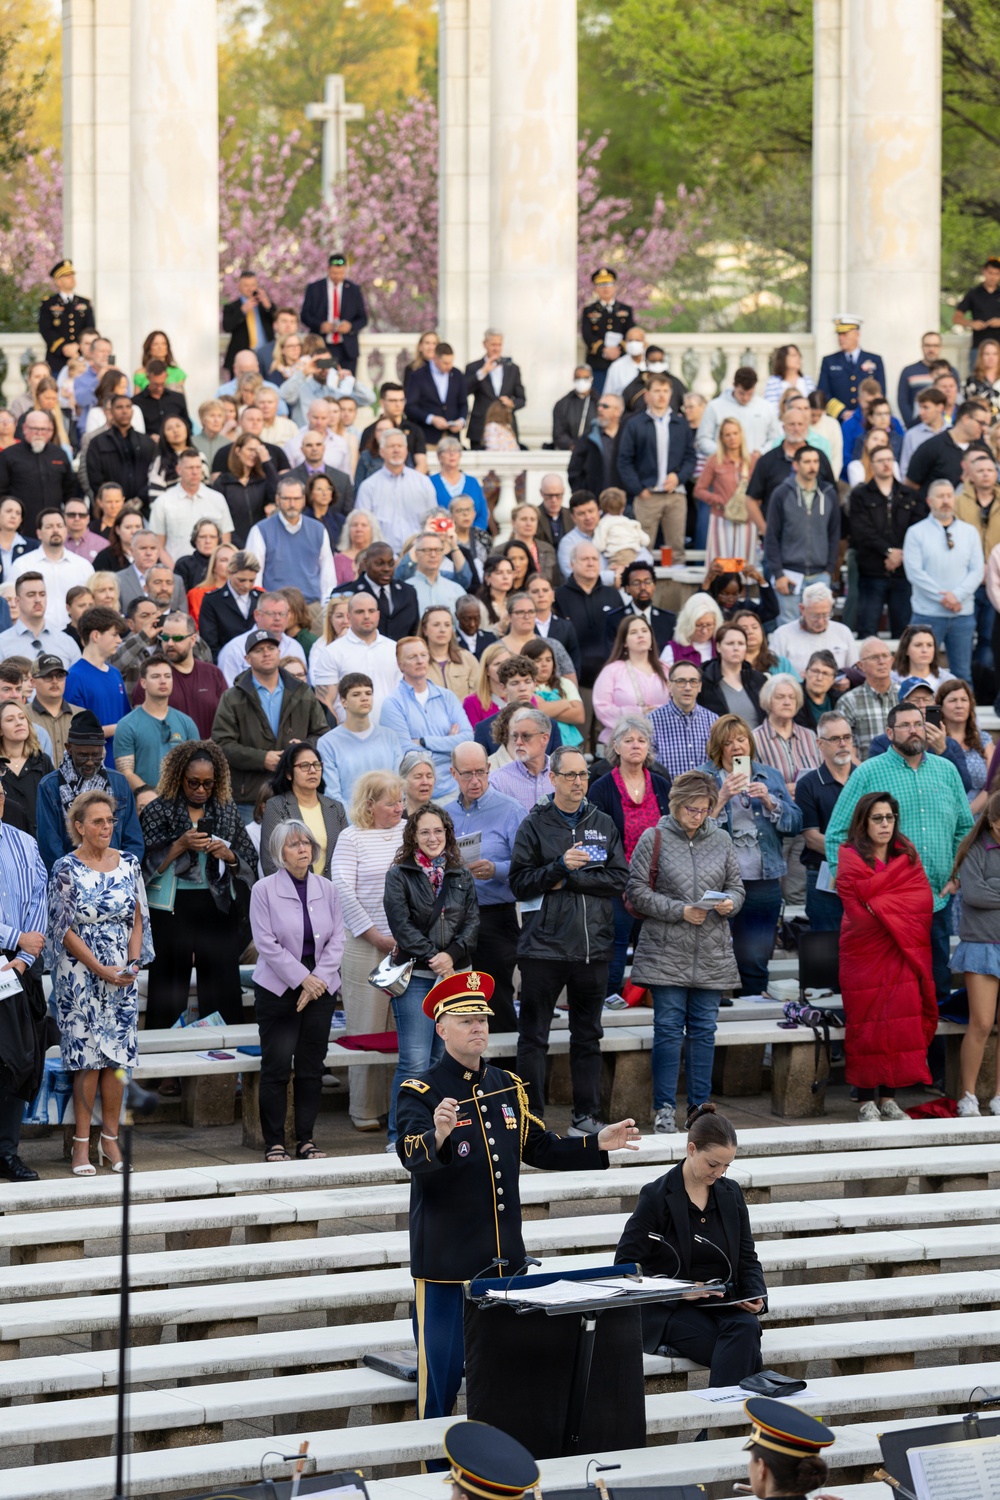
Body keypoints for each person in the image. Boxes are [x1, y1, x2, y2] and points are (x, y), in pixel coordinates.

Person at [396, 968, 639, 1419]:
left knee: (505, 1376)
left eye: (483, 1019)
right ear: (441, 1027)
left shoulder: (507, 1086)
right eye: (466, 1019)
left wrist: (596, 1143)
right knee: (441, 1383)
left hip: (505, 1260)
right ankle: (433, 1474)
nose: (477, 1027)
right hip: (447, 1266)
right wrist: (439, 1135)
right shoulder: (423, 1091)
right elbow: (410, 1154)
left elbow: (539, 1146)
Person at [509, 744, 629, 1133]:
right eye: (571, 775)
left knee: (588, 1036)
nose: (579, 782)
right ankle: (532, 1118)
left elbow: (617, 879)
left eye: (584, 775)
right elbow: (519, 883)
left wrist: (570, 877)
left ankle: (586, 1115)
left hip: (593, 946)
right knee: (534, 1037)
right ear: (553, 778)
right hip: (543, 947)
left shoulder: (603, 821)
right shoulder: (535, 823)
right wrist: (558, 866)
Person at [825, 701, 974, 1005]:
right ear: (889, 732)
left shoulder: (947, 770)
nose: (913, 731)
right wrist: (857, 889)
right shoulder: (868, 773)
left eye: (917, 723)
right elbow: (838, 835)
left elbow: (965, 830)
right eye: (904, 726)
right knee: (894, 993)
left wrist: (957, 876)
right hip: (886, 905)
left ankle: (934, 1054)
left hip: (937, 899)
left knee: (938, 989)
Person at [614, 1105, 765, 1379]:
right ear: (692, 1149)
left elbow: (747, 1256)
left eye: (727, 1165)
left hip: (721, 1302)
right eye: (713, 1164)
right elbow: (624, 1267)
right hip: (670, 1307)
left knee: (747, 1327)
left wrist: (756, 1294)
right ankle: (728, 1420)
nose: (719, 1173)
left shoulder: (731, 1193)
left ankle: (721, 1421)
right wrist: (679, 1290)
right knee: (743, 1349)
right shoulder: (656, 1197)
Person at [47, 787, 152, 1174]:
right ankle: (80, 1145)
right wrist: (100, 969)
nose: (106, 826)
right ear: (80, 826)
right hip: (79, 974)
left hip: (122, 975)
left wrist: (134, 962)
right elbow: (64, 929)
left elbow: (137, 918)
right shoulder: (65, 868)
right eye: (98, 821)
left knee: (117, 1060)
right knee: (86, 1062)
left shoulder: (128, 863)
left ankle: (110, 1139)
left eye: (110, 820)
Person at [139, 740, 256, 1032]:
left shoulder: (226, 810)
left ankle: (227, 1065)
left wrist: (228, 855)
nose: (201, 790)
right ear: (179, 777)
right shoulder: (157, 810)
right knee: (168, 985)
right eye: (193, 783)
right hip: (171, 907)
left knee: (222, 986)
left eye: (208, 784)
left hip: (217, 904)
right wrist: (179, 845)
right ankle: (167, 1071)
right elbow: (141, 865)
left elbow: (249, 861)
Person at [836, 792, 938, 1122]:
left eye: (889, 818)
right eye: (877, 818)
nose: (884, 824)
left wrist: (880, 903)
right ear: (864, 822)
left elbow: (921, 901)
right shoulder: (851, 857)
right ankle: (866, 1100)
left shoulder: (906, 855)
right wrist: (893, 908)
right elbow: (858, 912)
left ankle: (890, 1099)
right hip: (864, 953)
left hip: (902, 951)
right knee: (866, 1026)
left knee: (899, 1024)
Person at [249, 817, 345, 1161]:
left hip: (320, 987)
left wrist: (316, 980)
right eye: (294, 844)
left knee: (311, 1067)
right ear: (280, 853)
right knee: (276, 1066)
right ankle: (274, 1141)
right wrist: (302, 980)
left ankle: (306, 1139)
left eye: (306, 843)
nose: (303, 848)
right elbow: (266, 943)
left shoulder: (328, 888)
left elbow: (337, 938)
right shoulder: (263, 890)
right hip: (278, 989)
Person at [383, 803, 479, 1144]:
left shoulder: (460, 872)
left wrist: (451, 957)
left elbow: (472, 923)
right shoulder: (399, 874)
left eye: (438, 831)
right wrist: (435, 958)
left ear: (448, 833)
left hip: (453, 976)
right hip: (417, 978)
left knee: (442, 1059)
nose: (433, 837)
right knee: (413, 1061)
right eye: (425, 831)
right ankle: (400, 1136)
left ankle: (437, 1131)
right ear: (413, 836)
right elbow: (401, 926)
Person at [701, 714, 801, 996]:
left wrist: (770, 801)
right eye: (728, 742)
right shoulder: (703, 777)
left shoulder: (770, 775)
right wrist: (720, 798)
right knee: (713, 959)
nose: (736, 747)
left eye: (741, 740)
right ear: (718, 747)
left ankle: (752, 1033)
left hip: (763, 881)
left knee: (756, 960)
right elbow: (686, 831)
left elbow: (795, 824)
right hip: (718, 883)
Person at [328, 771, 405, 1131]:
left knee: (401, 1028)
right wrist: (376, 936)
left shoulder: (409, 832)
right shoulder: (351, 837)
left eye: (401, 802)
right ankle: (364, 1109)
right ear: (370, 804)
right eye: (391, 803)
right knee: (368, 1025)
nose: (399, 808)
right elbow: (342, 888)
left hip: (407, 946)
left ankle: (399, 1107)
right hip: (364, 944)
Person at [588, 716, 673, 999]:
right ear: (615, 746)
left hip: (657, 881)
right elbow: (596, 838)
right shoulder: (601, 787)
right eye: (629, 740)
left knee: (652, 944)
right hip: (617, 880)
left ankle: (647, 997)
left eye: (642, 740)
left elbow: (671, 831)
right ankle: (610, 1000)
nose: (636, 745)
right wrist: (620, 876)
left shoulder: (661, 785)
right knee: (616, 943)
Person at [445, 741, 526, 1035]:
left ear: (490, 769)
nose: (475, 780)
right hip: (452, 918)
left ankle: (504, 1077)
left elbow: (527, 869)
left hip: (495, 916)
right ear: (453, 773)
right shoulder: (444, 815)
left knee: (497, 1001)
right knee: (457, 1004)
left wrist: (496, 869)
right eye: (467, 774)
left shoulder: (511, 810)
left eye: (481, 771)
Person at [212, 629, 328, 811]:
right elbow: (222, 743)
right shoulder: (232, 697)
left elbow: (322, 734)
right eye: (258, 650)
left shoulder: (303, 692)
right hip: (250, 796)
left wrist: (304, 747)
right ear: (247, 659)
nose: (266, 653)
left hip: (297, 792)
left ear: (279, 653)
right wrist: (262, 759)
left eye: (271, 648)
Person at [0, 779, 48, 1182]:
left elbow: (38, 899)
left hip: (16, 971)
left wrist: (24, 956)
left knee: (20, 1063)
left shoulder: (23, 842)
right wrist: (12, 937)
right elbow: (20, 929)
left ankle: (7, 1151)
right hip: (8, 950)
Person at [946, 791, 1000, 1116]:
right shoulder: (974, 851)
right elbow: (976, 894)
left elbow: (986, 891)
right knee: (980, 1023)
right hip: (981, 946)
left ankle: (998, 1096)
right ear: (993, 822)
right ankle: (967, 1096)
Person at [902, 478, 984, 685]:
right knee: (920, 672)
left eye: (949, 496)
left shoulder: (969, 532)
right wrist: (944, 597)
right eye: (940, 496)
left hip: (961, 614)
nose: (945, 501)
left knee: (962, 674)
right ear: (930, 501)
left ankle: (965, 716)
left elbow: (976, 570)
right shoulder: (916, 532)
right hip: (927, 614)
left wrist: (957, 596)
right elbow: (914, 572)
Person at [380, 637, 474, 799]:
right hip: (417, 796)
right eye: (412, 657)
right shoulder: (392, 704)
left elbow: (467, 738)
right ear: (400, 664)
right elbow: (406, 753)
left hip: (454, 789)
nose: (419, 661)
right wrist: (450, 749)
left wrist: (424, 742)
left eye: (423, 655)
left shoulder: (447, 696)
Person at [617, 374, 697, 557]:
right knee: (644, 546)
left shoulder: (680, 424)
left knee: (675, 547)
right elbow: (624, 460)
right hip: (647, 495)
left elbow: (690, 457)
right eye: (657, 391)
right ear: (647, 395)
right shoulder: (635, 424)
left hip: (675, 495)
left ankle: (674, 585)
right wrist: (638, 488)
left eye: (665, 391)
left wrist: (678, 477)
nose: (662, 395)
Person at [849, 442, 924, 637]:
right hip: (871, 571)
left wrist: (900, 554)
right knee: (867, 630)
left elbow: (917, 529)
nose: (886, 464)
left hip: (903, 572)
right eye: (880, 460)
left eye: (889, 460)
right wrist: (889, 552)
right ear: (871, 464)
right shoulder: (860, 495)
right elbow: (861, 530)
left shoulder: (909, 495)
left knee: (904, 632)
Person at [763, 447, 840, 626]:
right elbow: (771, 536)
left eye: (815, 461)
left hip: (820, 573)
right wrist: (778, 573)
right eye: (807, 462)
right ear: (796, 465)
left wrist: (829, 569)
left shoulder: (828, 493)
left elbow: (834, 534)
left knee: (819, 625)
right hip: (789, 573)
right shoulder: (781, 493)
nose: (812, 466)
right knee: (788, 626)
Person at [794, 711, 854, 932]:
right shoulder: (808, 784)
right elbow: (812, 839)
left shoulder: (865, 777)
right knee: (827, 951)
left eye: (847, 737)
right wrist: (858, 853)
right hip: (823, 875)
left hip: (866, 876)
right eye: (835, 739)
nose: (843, 743)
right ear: (820, 744)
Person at [130, 611, 227, 739]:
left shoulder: (213, 674)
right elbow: (141, 727)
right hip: (167, 757)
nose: (169, 643)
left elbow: (227, 722)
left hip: (209, 755)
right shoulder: (151, 676)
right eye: (165, 638)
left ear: (193, 640)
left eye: (177, 638)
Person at [259, 741, 347, 880]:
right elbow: (271, 861)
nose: (312, 770)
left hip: (331, 891)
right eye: (305, 766)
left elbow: (345, 856)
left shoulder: (335, 808)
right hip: (292, 892)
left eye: (317, 765)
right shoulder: (277, 806)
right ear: (289, 774)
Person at [316, 673, 404, 808]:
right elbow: (332, 794)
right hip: (352, 824)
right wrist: (358, 821)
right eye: (356, 694)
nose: (364, 698)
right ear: (344, 701)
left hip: (389, 818)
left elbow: (398, 784)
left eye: (368, 693)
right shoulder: (327, 743)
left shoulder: (390, 737)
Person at [245, 474, 335, 605]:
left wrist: (325, 607)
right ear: (277, 499)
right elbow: (254, 576)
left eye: (296, 498)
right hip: (274, 606)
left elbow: (328, 575)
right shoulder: (260, 531)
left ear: (303, 500)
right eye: (286, 498)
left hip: (311, 606)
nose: (292, 504)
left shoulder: (318, 530)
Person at [308, 591, 401, 718]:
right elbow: (325, 702)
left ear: (378, 615)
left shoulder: (395, 648)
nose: (367, 616)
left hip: (391, 732)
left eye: (371, 611)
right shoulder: (331, 652)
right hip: (347, 734)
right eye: (360, 612)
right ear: (349, 616)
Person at [112, 657, 198, 791]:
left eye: (168, 676)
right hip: (143, 805)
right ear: (143, 683)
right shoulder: (127, 725)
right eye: (156, 676)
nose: (163, 681)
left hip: (181, 803)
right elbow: (126, 772)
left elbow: (196, 766)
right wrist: (150, 798)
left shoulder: (186, 722)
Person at [63, 606, 130, 769]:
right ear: (95, 635)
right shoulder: (74, 677)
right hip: (91, 769)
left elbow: (127, 718)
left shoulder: (115, 674)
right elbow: (73, 729)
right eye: (114, 634)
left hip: (121, 767)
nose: (119, 640)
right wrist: (119, 728)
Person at [355, 429, 438, 555]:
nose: (396, 450)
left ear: (406, 450)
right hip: (383, 557)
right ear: (381, 452)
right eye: (391, 446)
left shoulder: (423, 483)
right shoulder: (368, 486)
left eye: (400, 446)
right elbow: (363, 526)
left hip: (419, 555)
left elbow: (433, 520)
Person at [695, 417, 764, 566]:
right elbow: (699, 490)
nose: (732, 438)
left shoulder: (752, 461)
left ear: (741, 434)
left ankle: (743, 589)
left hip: (747, 518)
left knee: (744, 565)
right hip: (722, 517)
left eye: (735, 433)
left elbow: (761, 489)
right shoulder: (714, 461)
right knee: (723, 564)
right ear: (722, 438)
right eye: (728, 435)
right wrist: (719, 500)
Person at [592, 615, 671, 744]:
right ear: (624, 642)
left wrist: (657, 712)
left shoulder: (666, 669)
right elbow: (602, 707)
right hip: (621, 743)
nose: (641, 635)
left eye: (644, 631)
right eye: (634, 632)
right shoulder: (612, 671)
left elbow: (677, 704)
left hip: (662, 742)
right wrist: (637, 712)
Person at [217, 589, 306, 685]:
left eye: (281, 614)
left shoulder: (295, 647)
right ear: (257, 615)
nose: (277, 618)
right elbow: (228, 690)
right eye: (271, 613)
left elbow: (304, 687)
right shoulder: (235, 649)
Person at [769, 583, 859, 679]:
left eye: (825, 615)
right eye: (815, 616)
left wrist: (847, 681)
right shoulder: (782, 635)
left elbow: (855, 670)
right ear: (802, 609)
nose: (820, 621)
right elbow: (774, 674)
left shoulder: (843, 632)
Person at [905, 399, 992, 499]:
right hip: (934, 512)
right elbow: (911, 484)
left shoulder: (982, 449)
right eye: (981, 423)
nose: (984, 428)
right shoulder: (932, 446)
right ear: (965, 419)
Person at [300, 252, 368, 372]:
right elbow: (305, 315)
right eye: (334, 273)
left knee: (346, 383)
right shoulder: (315, 288)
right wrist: (320, 325)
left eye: (341, 273)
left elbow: (363, 318)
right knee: (325, 380)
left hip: (347, 348)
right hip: (324, 346)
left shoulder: (353, 289)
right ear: (328, 270)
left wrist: (350, 326)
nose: (337, 276)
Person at [650, 661, 718, 778]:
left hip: (707, 793)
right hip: (669, 793)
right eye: (681, 681)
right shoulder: (651, 722)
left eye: (693, 681)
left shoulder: (713, 720)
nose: (688, 688)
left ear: (700, 686)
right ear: (669, 685)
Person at [0, 572, 80, 670]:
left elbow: (77, 683)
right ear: (17, 601)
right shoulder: (3, 643)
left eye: (42, 594)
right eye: (31, 595)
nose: (38, 600)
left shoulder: (66, 642)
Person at [816, 314, 886, 421]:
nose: (840, 338)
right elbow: (823, 392)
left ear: (857, 334)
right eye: (839, 334)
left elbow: (880, 392)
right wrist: (843, 413)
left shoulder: (875, 360)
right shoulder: (829, 361)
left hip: (868, 420)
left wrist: (865, 411)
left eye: (845, 334)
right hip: (839, 420)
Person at [697, 622, 766, 728]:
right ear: (718, 647)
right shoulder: (704, 680)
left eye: (741, 643)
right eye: (730, 643)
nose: (736, 648)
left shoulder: (759, 680)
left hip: (757, 742)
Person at [0, 702, 53, 839]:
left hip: (42, 841)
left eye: (22, 717)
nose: (18, 723)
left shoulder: (42, 761)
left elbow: (54, 806)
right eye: (10, 720)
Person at [938, 677, 989, 813]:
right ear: (940, 706)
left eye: (964, 700)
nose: (959, 705)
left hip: (977, 815)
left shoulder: (983, 740)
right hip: (943, 813)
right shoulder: (933, 741)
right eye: (953, 700)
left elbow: (992, 784)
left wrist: (968, 813)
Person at [489, 707, 556, 812]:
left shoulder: (563, 773)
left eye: (526, 736)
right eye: (515, 736)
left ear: (544, 738)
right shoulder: (497, 781)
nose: (518, 742)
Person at [37, 258, 94, 372]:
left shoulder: (84, 303)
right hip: (57, 359)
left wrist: (77, 346)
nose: (72, 278)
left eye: (72, 275)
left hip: (80, 357)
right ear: (58, 281)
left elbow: (90, 328)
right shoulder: (49, 303)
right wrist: (63, 347)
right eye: (67, 276)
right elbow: (46, 329)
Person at [25, 655, 81, 769]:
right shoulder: (22, 716)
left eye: (60, 676)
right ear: (33, 681)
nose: (55, 681)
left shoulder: (82, 715)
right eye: (47, 676)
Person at [568, 392, 625, 498]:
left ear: (618, 411)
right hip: (594, 503)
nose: (600, 409)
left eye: (605, 406)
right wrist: (583, 496)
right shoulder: (587, 438)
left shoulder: (628, 437)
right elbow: (574, 470)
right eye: (599, 405)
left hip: (624, 503)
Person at [419, 605, 479, 701]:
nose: (442, 630)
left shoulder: (467, 659)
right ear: (425, 630)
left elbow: (478, 696)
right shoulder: (417, 662)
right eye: (436, 625)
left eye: (447, 625)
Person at [953, 255, 1000, 357]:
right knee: (976, 373)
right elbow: (956, 318)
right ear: (984, 271)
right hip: (979, 347)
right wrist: (971, 323)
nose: (993, 277)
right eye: (990, 273)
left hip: (998, 347)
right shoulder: (973, 293)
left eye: (997, 274)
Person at [893, 622, 953, 693]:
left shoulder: (947, 680)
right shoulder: (892, 679)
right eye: (918, 645)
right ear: (906, 650)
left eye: (929, 645)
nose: (925, 650)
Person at [553, 366, 597, 449]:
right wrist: (572, 446)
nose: (581, 381)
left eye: (585, 378)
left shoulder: (598, 403)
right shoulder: (563, 404)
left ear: (591, 379)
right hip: (570, 451)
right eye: (578, 378)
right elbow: (558, 433)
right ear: (573, 379)